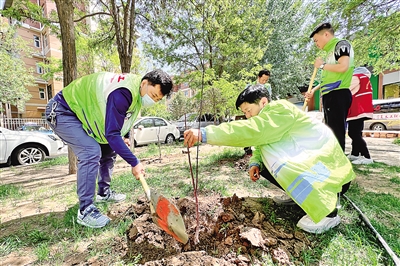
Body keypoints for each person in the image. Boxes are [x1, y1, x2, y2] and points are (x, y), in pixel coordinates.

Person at [184, 84, 355, 234]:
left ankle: (329, 212)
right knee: (264, 164)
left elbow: (254, 132)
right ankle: (300, 195)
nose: (248, 116)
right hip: (317, 169)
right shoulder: (269, 117)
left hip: (330, 175)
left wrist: (206, 133)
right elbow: (260, 142)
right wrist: (255, 162)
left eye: (248, 111)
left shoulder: (279, 110)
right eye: (244, 113)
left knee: (271, 157)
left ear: (263, 102)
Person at [45, 70, 173, 228]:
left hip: (78, 112)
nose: (153, 101)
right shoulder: (124, 92)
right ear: (145, 83)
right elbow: (112, 134)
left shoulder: (136, 94)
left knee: (109, 149)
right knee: (90, 151)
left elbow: (120, 121)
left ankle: (103, 193)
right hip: (62, 111)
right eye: (153, 96)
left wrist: (124, 136)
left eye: (157, 99)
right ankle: (85, 210)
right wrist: (134, 162)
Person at [305, 22, 354, 151]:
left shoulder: (341, 44)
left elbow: (343, 67)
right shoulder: (328, 54)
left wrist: (322, 66)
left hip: (337, 93)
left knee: (336, 130)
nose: (316, 44)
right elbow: (330, 77)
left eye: (316, 40)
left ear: (326, 34)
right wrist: (314, 91)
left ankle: (338, 161)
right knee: (330, 130)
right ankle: (332, 157)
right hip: (329, 95)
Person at [347, 67, 374, 165]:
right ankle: (355, 154)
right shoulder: (366, 80)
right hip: (363, 110)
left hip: (356, 110)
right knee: (357, 132)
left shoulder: (357, 77)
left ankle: (366, 156)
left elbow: (346, 89)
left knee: (353, 133)